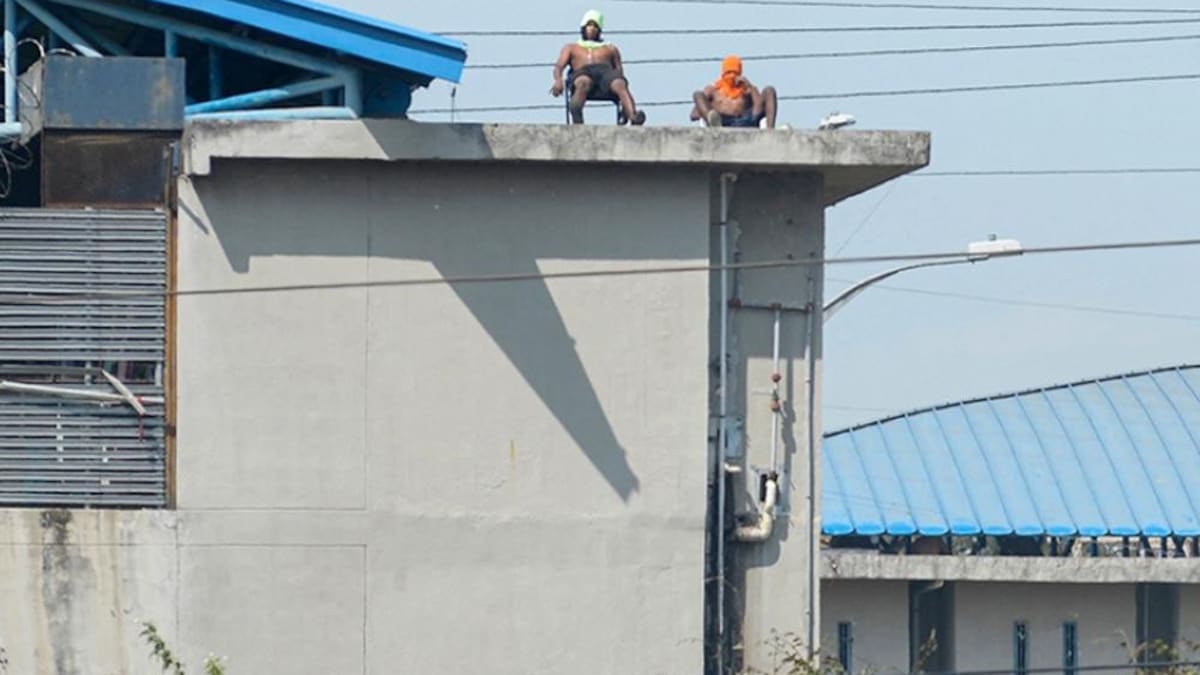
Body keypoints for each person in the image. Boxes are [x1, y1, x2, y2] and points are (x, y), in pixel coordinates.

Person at [550, 10, 646, 125]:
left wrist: (620, 83)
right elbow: (559, 66)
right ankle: (576, 113)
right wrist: (558, 80)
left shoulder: (610, 49)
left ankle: (632, 115)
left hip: (605, 74)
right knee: (583, 82)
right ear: (583, 27)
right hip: (582, 72)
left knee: (619, 83)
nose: (592, 28)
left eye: (595, 26)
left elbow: (619, 71)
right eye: (589, 25)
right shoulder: (572, 48)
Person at [691, 55, 778, 129]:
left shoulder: (746, 89)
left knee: (769, 90)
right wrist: (708, 112)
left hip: (746, 120)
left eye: (735, 73)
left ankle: (770, 131)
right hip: (722, 122)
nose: (732, 76)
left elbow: (759, 109)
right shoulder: (713, 90)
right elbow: (693, 115)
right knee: (697, 94)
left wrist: (750, 87)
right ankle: (714, 124)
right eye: (728, 72)